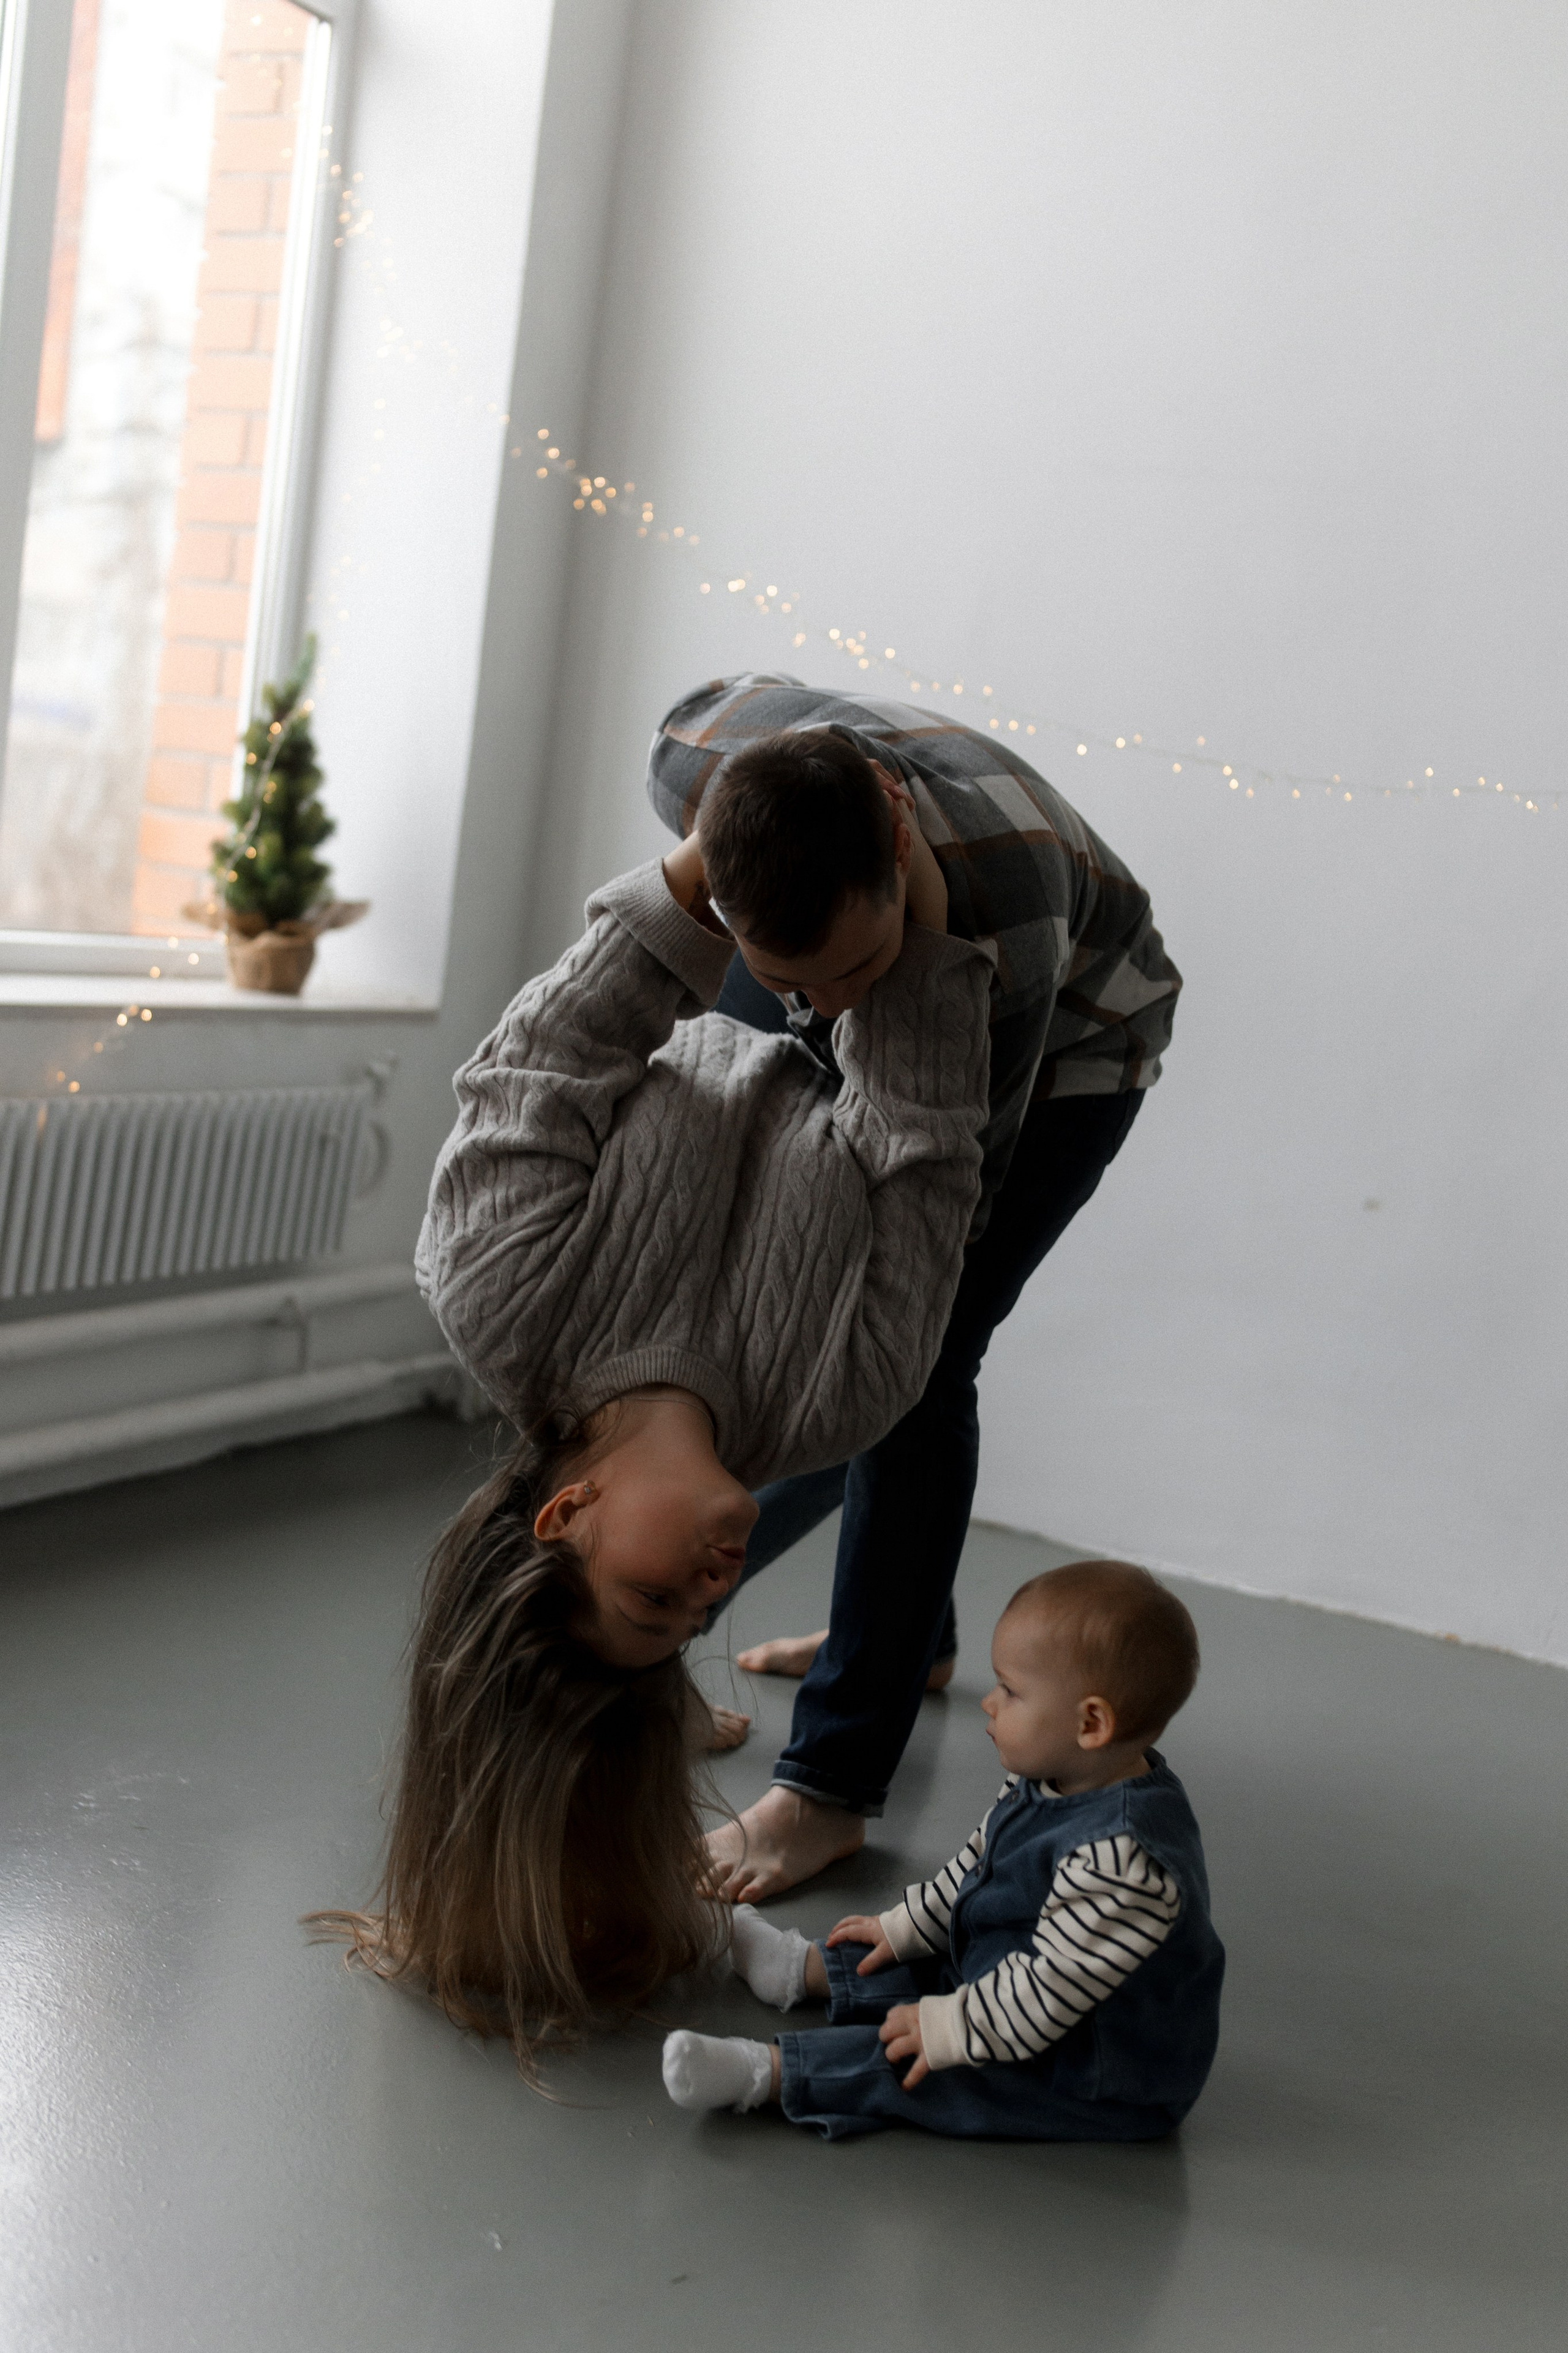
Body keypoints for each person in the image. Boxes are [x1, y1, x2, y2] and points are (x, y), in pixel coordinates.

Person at [311, 840, 994, 2071]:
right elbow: (926, 1144)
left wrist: (696, 875)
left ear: (563, 1512)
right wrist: (920, 942)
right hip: (896, 1030)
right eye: (691, 1623)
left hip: (695, 1002)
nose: (711, 1590)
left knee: (777, 883)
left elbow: (545, 1063)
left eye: (651, 1595)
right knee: (935, 1376)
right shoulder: (849, 1392)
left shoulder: (491, 1294)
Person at [647, 674, 1182, 1900]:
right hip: (830, 890)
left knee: (912, 1365)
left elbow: (912, 1268)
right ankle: (909, 1636)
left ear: (895, 856)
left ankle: (829, 1787)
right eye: (793, 981)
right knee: (760, 1316)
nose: (821, 1015)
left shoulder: (1006, 937)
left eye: (850, 970)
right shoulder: (694, 759)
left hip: (1076, 1042)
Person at [662, 1560, 1224, 2141]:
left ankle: (767, 2073)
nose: (989, 1703)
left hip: (1084, 2067)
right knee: (918, 1958)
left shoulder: (1123, 1862)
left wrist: (947, 2026)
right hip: (1012, 1973)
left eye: (1010, 1690)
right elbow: (978, 1866)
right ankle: (793, 1970)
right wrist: (907, 1926)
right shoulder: (1056, 1776)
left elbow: (1045, 1996)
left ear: (1091, 1723)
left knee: (923, 2062)